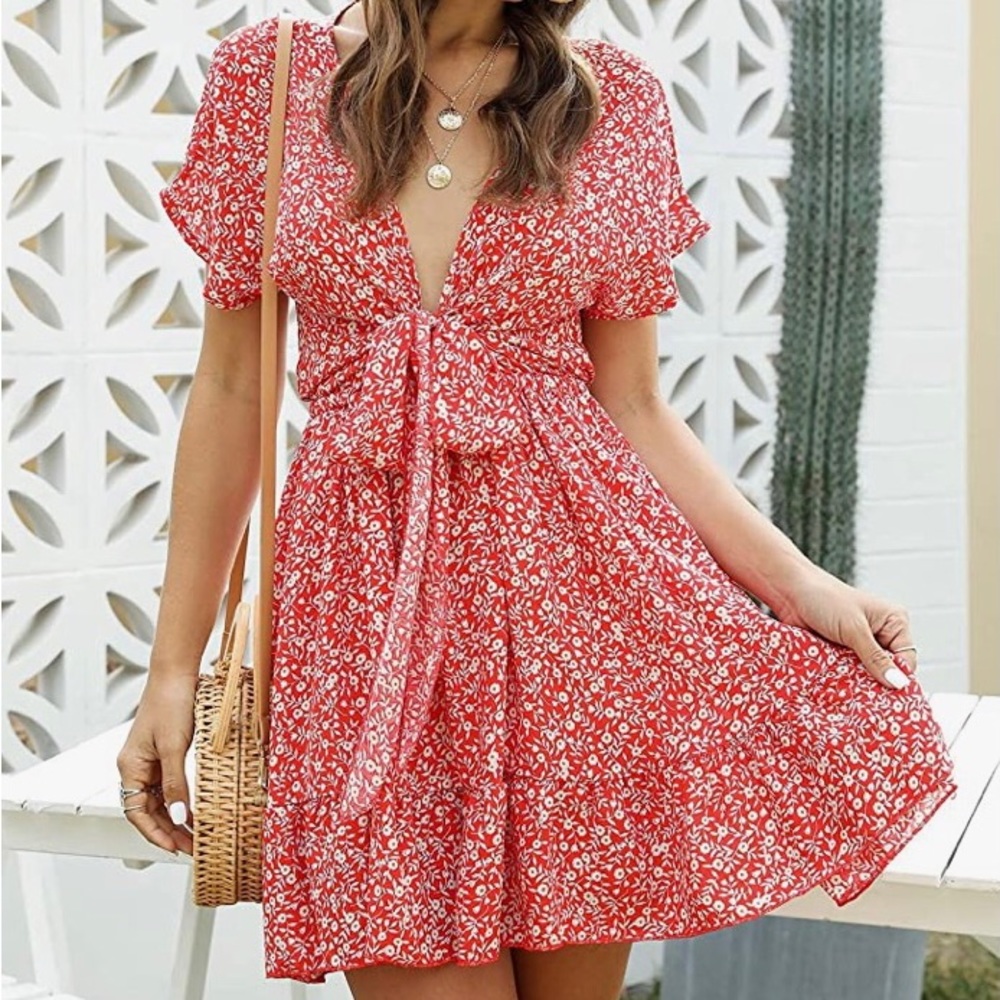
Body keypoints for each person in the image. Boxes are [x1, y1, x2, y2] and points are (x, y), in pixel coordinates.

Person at [116, 1, 960, 997]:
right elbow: (229, 388)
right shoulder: (274, 78)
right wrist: (172, 669)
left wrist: (799, 584)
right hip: (365, 622)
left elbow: (635, 404)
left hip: (579, 630)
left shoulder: (609, 99)